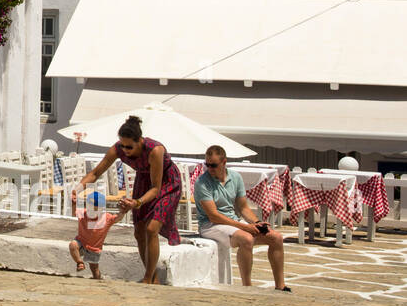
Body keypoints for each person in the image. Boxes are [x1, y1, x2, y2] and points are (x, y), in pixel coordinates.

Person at [75, 115, 181, 284]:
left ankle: (147, 279)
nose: (125, 150)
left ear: (140, 140)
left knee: (152, 228)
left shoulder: (155, 150)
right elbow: (95, 173)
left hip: (166, 184)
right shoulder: (117, 149)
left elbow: (156, 188)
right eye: (123, 146)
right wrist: (78, 189)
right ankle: (152, 277)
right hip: (143, 180)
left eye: (129, 146)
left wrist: (137, 202)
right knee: (139, 230)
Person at [194, 145, 289, 290]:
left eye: (213, 165)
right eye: (207, 165)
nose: (209, 168)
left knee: (276, 237)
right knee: (246, 238)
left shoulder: (235, 177)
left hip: (232, 221)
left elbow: (243, 207)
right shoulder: (202, 182)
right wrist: (245, 227)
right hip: (210, 225)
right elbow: (213, 216)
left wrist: (256, 222)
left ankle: (280, 286)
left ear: (224, 162)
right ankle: (247, 286)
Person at [69, 195, 122, 279]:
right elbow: (73, 213)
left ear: (101, 209)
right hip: (81, 242)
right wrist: (74, 204)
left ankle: (97, 280)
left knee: (94, 268)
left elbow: (117, 218)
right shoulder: (84, 213)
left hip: (95, 247)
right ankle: (80, 262)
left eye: (94, 209)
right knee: (73, 245)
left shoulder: (106, 217)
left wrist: (123, 211)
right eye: (89, 207)